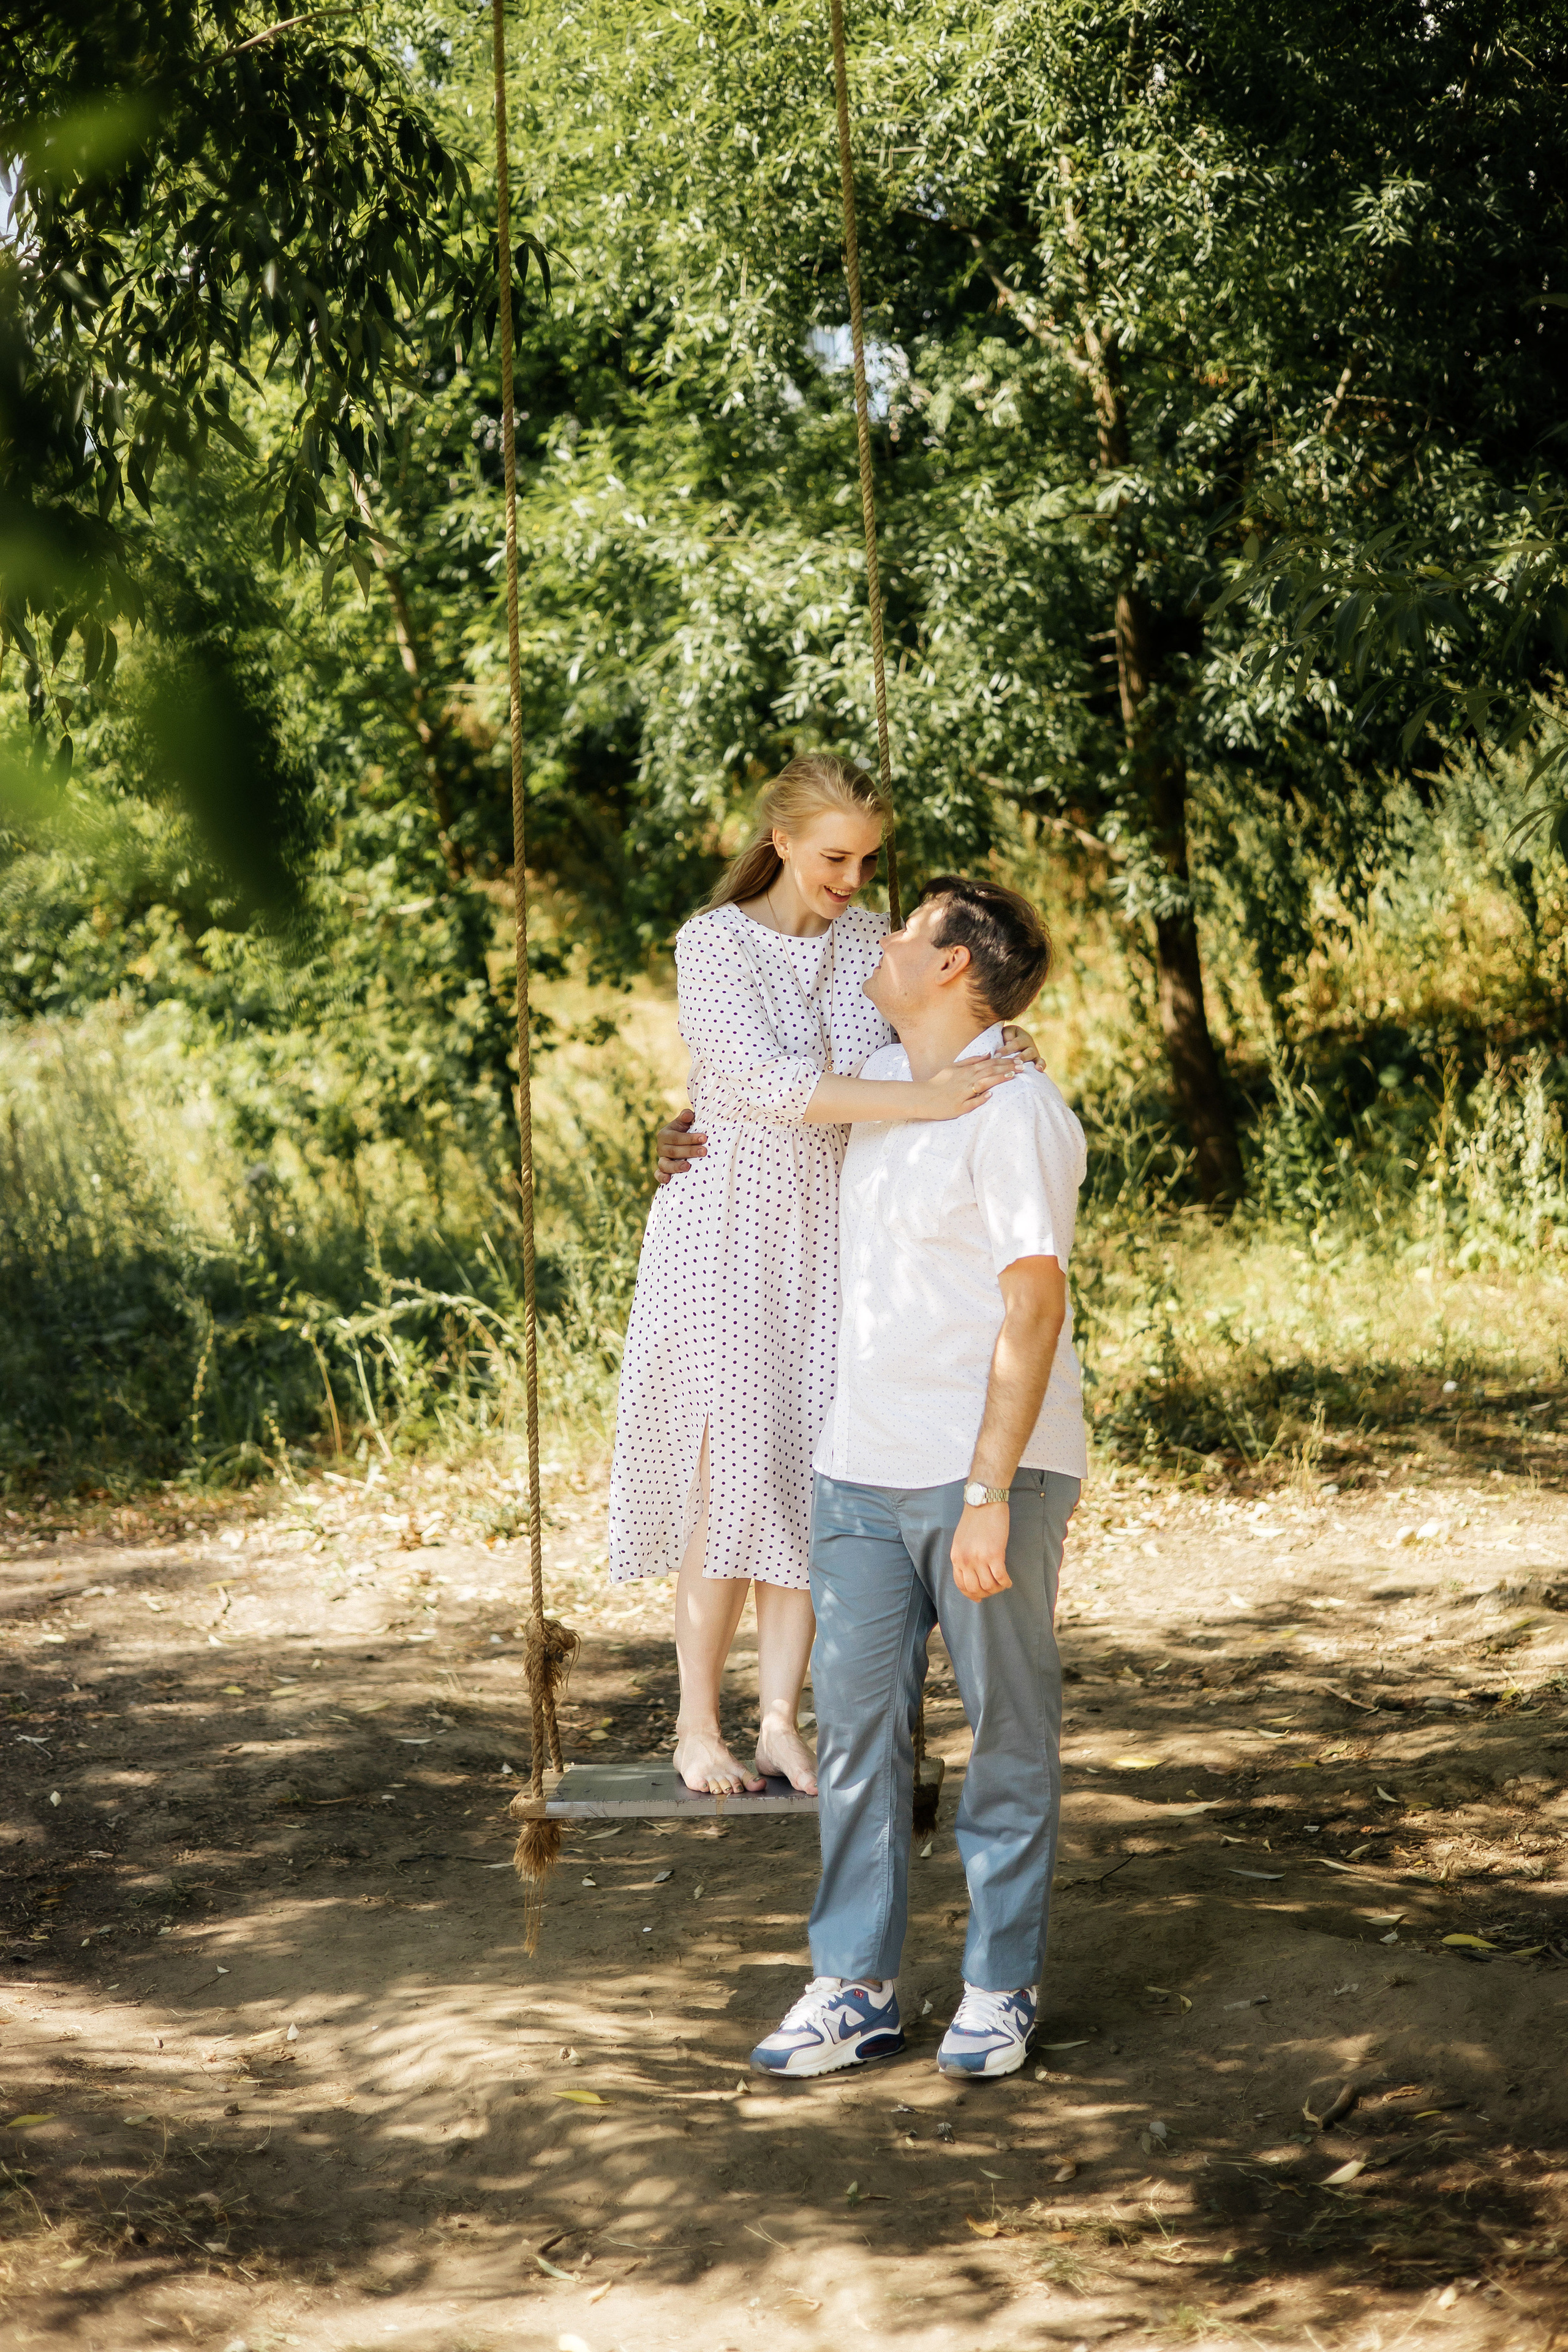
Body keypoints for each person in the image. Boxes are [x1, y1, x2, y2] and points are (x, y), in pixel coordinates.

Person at [608, 754, 1039, 1798]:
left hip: (833, 1235)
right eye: (834, 857)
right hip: (724, 1231)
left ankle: (778, 1722)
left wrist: (1000, 1037)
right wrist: (930, 1105)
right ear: (781, 842)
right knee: (732, 1475)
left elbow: (917, 1043)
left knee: (808, 1473)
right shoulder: (711, 943)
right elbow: (757, 1081)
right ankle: (697, 1724)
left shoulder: (865, 939)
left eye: (866, 859)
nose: (852, 879)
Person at [750, 875, 1087, 2080]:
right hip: (857, 1471)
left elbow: (1032, 1302)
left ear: (951, 966)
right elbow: (752, 1098)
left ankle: (998, 1987)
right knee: (855, 1739)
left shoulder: (1016, 1111)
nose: (878, 942)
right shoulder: (891, 1094)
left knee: (1002, 1735)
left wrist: (988, 1489)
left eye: (901, 931)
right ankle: (854, 1987)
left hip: (980, 1477)